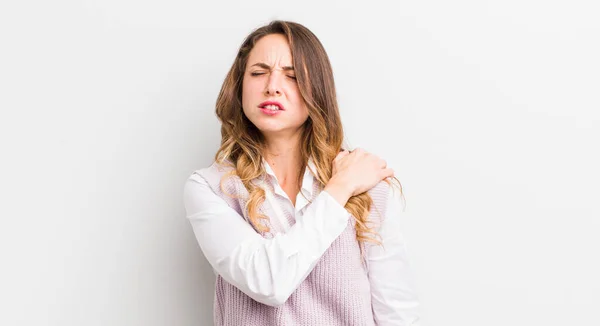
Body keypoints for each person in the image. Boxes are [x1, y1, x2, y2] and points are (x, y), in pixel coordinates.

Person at [183, 20, 420, 326]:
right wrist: (339, 189)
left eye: (292, 76)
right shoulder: (211, 188)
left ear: (316, 90)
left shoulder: (368, 186)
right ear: (239, 87)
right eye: (258, 73)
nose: (272, 86)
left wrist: (346, 185)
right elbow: (268, 282)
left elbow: (397, 310)